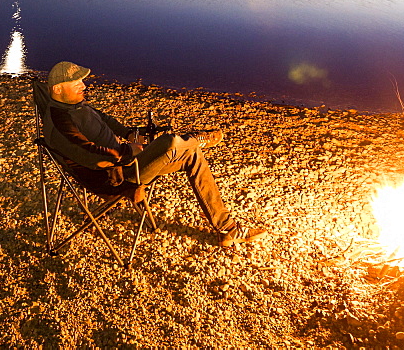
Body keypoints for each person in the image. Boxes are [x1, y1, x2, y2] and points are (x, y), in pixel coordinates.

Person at [38, 60, 266, 247]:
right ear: (58, 89)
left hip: (125, 161)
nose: (84, 87)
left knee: (191, 155)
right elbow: (91, 156)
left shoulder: (73, 105)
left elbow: (104, 120)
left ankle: (226, 228)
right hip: (116, 176)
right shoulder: (60, 122)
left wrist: (129, 133)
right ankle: (198, 138)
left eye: (82, 82)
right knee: (170, 142)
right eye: (76, 83)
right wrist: (128, 151)